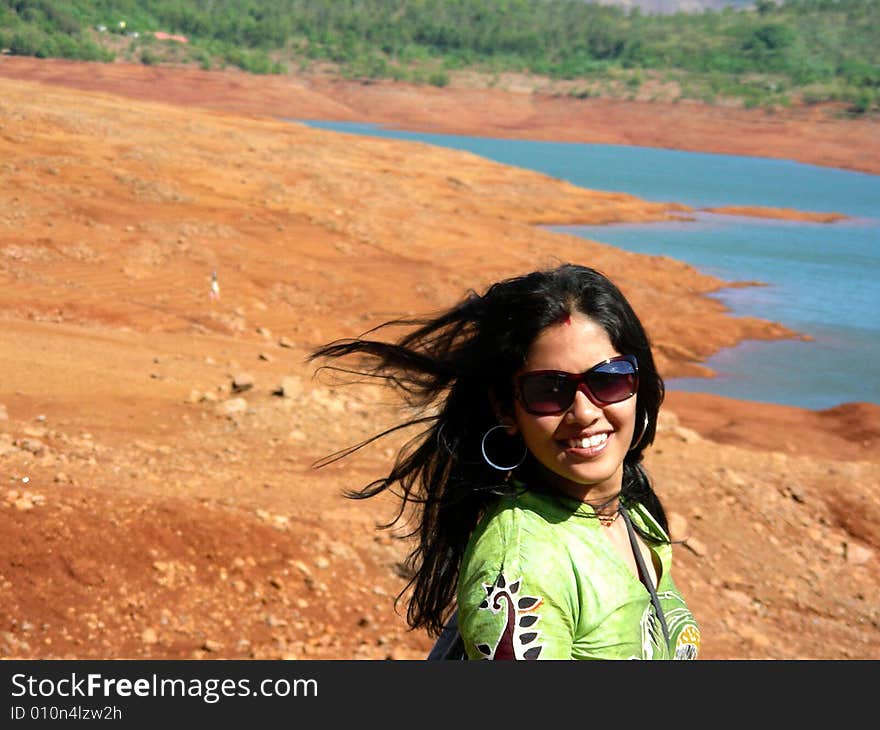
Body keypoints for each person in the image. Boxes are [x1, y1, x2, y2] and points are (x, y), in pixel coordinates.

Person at [309, 263, 700, 660]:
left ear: (639, 385)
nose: (584, 412)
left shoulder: (632, 513)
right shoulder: (520, 562)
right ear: (507, 411)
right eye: (549, 389)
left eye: (609, 380)